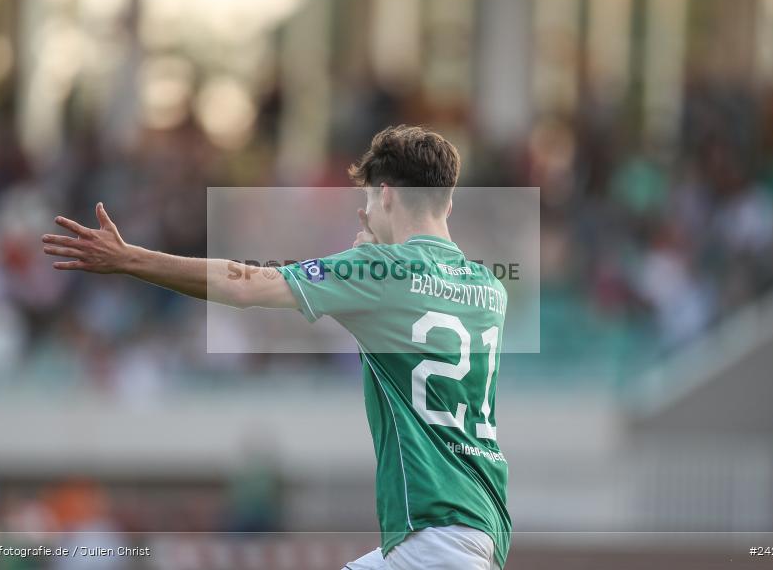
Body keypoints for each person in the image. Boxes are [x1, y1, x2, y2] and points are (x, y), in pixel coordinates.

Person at [42, 125, 511, 569]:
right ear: (447, 205)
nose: (364, 211)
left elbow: (246, 286)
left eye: (368, 198)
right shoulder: (491, 288)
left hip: (433, 535)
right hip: (480, 522)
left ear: (385, 194)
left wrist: (130, 259)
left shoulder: (378, 269)